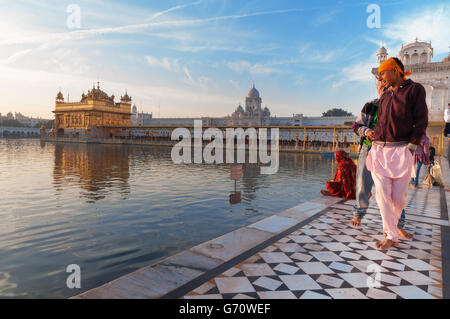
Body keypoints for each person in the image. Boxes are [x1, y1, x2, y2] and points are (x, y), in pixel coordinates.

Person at [366, 57, 428, 250]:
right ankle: (391, 235)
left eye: (382, 73)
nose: (381, 77)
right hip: (379, 150)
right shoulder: (385, 95)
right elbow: (382, 123)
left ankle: (391, 230)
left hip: (402, 150)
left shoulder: (415, 89)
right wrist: (370, 134)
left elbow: (421, 120)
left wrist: (412, 146)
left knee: (398, 198)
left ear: (394, 70)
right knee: (382, 195)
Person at [349, 78, 412, 239]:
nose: (384, 87)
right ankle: (359, 214)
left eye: (387, 85)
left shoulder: (399, 106)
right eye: (381, 85)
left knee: (394, 189)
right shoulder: (371, 106)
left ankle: (397, 224)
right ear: (377, 88)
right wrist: (367, 131)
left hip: (391, 151)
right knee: (363, 183)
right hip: (369, 147)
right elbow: (356, 126)